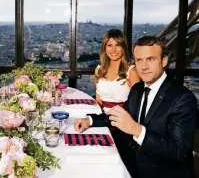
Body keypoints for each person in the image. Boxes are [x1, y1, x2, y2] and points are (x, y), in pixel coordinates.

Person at [74, 36, 197, 178]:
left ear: (164, 61)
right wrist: (90, 121)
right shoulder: (137, 89)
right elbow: (121, 116)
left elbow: (178, 150)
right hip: (132, 166)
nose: (144, 67)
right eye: (139, 60)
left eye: (150, 59)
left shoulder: (183, 99)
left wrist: (136, 130)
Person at [95, 29, 140, 111]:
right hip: (100, 117)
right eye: (109, 45)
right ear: (104, 48)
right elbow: (98, 100)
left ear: (123, 47)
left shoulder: (132, 71)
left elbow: (137, 105)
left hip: (122, 118)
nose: (113, 50)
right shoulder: (99, 70)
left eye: (118, 45)